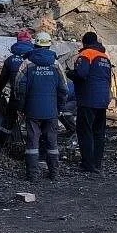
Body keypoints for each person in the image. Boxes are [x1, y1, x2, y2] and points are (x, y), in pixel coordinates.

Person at [13, 31, 68, 181]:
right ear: (49, 45)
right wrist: (60, 107)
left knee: (32, 142)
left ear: (35, 44)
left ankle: (33, 175)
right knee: (52, 141)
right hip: (51, 110)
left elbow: (19, 87)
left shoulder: (27, 63)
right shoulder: (56, 64)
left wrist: (21, 107)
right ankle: (54, 174)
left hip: (32, 109)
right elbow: (64, 88)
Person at [73, 32, 113, 174]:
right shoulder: (105, 57)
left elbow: (81, 74)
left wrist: (70, 74)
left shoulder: (86, 54)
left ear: (84, 42)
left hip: (88, 99)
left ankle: (87, 164)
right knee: (98, 132)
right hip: (102, 100)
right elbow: (108, 79)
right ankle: (97, 163)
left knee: (85, 131)